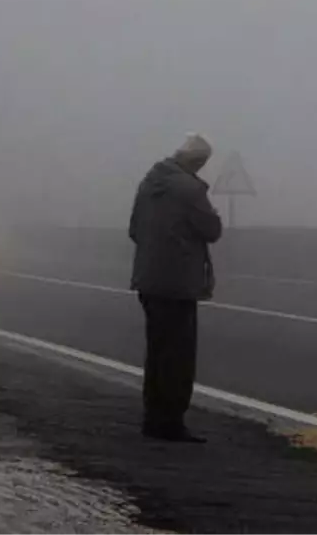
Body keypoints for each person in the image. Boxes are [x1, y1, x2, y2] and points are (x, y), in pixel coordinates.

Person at [129, 133, 223, 442]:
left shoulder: (149, 183)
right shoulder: (189, 188)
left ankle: (153, 418)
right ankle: (170, 423)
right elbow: (212, 230)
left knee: (157, 352)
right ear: (198, 161)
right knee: (179, 356)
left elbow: (133, 230)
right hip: (179, 281)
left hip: (149, 277)